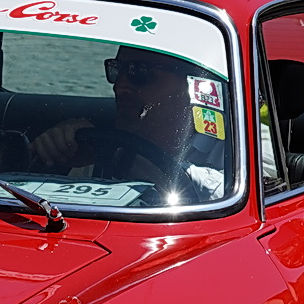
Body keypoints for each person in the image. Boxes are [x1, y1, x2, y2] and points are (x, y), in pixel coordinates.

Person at [27, 46, 228, 204]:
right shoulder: (97, 152)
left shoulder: (240, 145)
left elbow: (227, 196)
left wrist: (119, 157)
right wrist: (59, 146)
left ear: (194, 85)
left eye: (139, 72)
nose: (119, 87)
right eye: (117, 70)